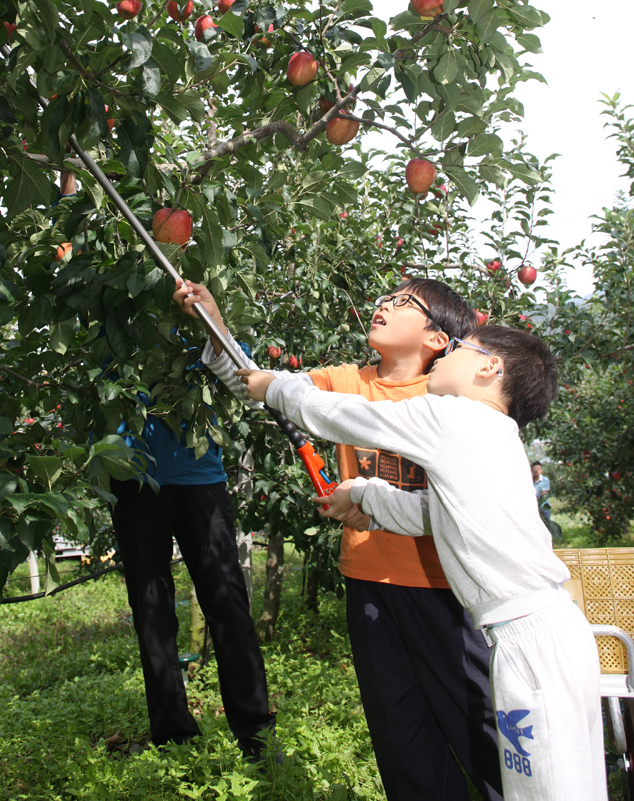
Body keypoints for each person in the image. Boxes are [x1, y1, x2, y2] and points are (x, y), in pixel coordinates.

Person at [237, 325, 605, 801]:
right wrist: (367, 495)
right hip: (550, 634)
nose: (443, 356)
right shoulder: (493, 436)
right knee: (570, 781)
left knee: (543, 790)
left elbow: (353, 416)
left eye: (457, 349)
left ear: (489, 367)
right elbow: (437, 515)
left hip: (529, 644)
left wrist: (277, 388)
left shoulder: (458, 419)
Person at [174, 276, 504, 801]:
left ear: (437, 338)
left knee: (475, 723)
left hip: (446, 590)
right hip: (370, 582)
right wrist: (216, 327)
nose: (383, 305)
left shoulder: (447, 394)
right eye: (385, 297)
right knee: (400, 730)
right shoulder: (347, 379)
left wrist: (370, 501)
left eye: (402, 303)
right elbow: (261, 387)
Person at [57, 174, 276, 761]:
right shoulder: (113, 315)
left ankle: (255, 731)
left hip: (200, 476)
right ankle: (173, 731)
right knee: (150, 605)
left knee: (226, 598)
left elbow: (241, 379)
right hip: (136, 477)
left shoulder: (192, 307)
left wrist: (214, 317)